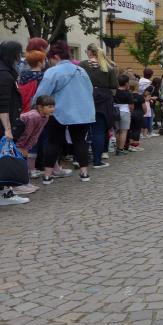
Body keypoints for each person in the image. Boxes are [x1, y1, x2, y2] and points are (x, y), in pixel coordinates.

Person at [33, 42, 95, 185]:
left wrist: (34, 105)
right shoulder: (81, 70)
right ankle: (84, 173)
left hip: (58, 111)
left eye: (50, 59)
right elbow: (90, 90)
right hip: (82, 112)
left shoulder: (53, 71)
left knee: (53, 142)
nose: (50, 61)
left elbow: (42, 93)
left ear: (56, 57)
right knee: (80, 141)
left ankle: (47, 175)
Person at [0, 41, 27, 205]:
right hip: (3, 123)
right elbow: (3, 104)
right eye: (19, 53)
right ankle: (5, 194)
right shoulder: (4, 74)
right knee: (5, 158)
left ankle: (5, 193)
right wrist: (7, 129)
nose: (20, 56)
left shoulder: (5, 71)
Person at [13, 95, 56, 196]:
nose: (53, 109)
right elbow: (27, 133)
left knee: (23, 161)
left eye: (53, 106)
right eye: (49, 107)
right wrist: (22, 147)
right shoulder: (34, 116)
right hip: (18, 139)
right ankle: (18, 185)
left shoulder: (45, 117)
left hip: (23, 142)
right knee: (18, 162)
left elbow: (36, 133)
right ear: (40, 107)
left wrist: (28, 147)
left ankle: (25, 182)